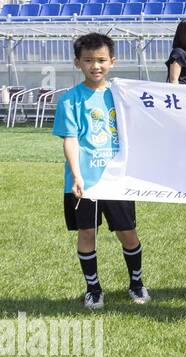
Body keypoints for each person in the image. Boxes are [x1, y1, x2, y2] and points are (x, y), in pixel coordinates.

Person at [54, 32, 147, 309]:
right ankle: (93, 289)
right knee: (87, 234)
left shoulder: (121, 96)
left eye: (101, 60)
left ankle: (137, 284)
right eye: (89, 60)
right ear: (77, 63)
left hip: (117, 180)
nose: (96, 66)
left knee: (127, 232)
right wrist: (77, 174)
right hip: (85, 182)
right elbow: (70, 139)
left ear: (112, 61)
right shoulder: (70, 99)